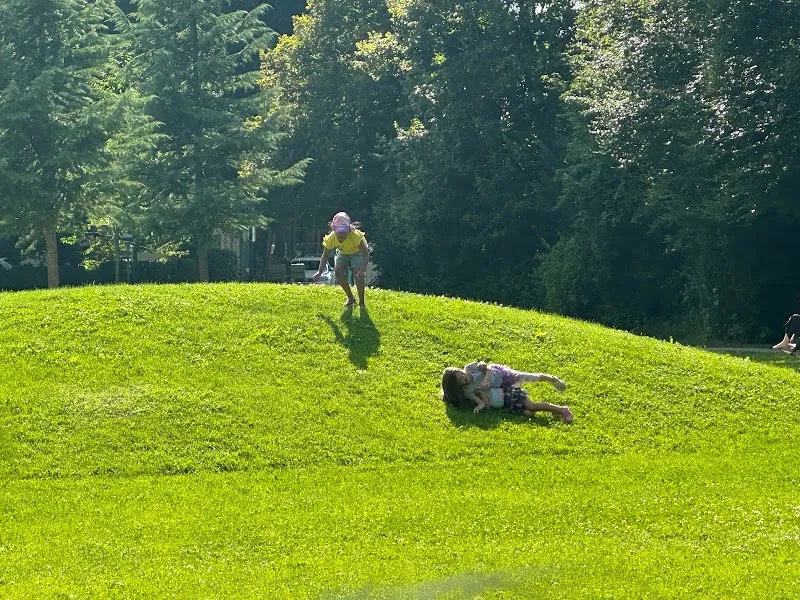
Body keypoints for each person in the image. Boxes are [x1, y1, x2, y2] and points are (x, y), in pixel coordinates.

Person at [440, 362, 573, 422]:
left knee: (525, 377)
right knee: (527, 410)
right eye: (460, 380)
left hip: (501, 375)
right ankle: (525, 400)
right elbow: (481, 398)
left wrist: (484, 370)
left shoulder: (469, 369)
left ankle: (550, 379)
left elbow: (486, 367)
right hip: (501, 389)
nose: (463, 377)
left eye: (460, 373)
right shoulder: (468, 389)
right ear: (458, 385)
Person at [313, 212, 371, 309]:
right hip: (343, 252)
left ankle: (362, 303)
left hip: (358, 252)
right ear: (334, 231)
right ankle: (350, 298)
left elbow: (365, 254)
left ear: (349, 230)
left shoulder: (355, 235)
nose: (342, 237)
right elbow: (325, 255)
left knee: (358, 276)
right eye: (339, 235)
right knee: (338, 271)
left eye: (344, 234)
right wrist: (319, 272)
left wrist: (362, 270)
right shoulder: (331, 238)